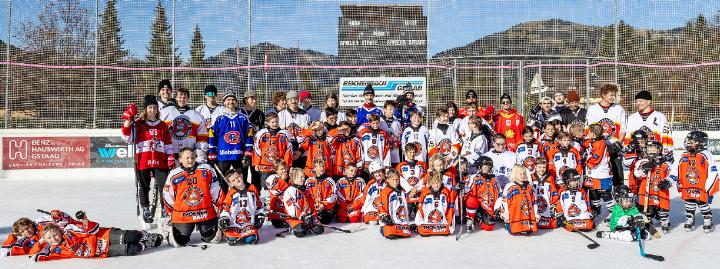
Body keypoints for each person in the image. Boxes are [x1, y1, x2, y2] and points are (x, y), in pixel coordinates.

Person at [121, 95, 173, 225]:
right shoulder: (138, 124)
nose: (153, 110)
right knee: (144, 186)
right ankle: (145, 208)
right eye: (150, 107)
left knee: (164, 186)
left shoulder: (162, 125)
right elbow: (127, 138)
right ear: (145, 109)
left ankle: (165, 209)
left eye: (155, 107)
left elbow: (168, 143)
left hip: (160, 160)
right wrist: (128, 119)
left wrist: (170, 157)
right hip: (143, 160)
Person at [163, 148, 222, 247]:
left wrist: (221, 207)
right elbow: (168, 195)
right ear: (180, 159)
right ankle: (170, 227)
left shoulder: (206, 169)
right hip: (184, 215)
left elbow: (215, 189)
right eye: (187, 158)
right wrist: (171, 212)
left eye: (192, 157)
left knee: (211, 237)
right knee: (180, 241)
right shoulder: (174, 174)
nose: (190, 160)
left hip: (205, 213)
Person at [28, 221, 161, 262]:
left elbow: (90, 228)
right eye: (50, 238)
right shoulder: (55, 250)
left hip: (103, 237)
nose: (54, 239)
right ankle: (147, 244)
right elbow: (33, 256)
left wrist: (84, 220)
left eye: (55, 235)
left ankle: (149, 236)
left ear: (59, 232)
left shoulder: (70, 231)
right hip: (103, 251)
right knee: (134, 250)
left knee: (131, 236)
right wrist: (40, 242)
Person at [671, 131, 719, 233]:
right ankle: (690, 219)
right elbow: (676, 167)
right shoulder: (684, 154)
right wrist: (672, 178)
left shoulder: (706, 154)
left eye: (692, 141)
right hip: (687, 185)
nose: (689, 142)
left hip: (701, 186)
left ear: (701, 143)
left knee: (702, 204)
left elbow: (713, 171)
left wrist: (709, 188)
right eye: (689, 140)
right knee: (689, 203)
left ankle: (707, 220)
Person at [208, 90, 253, 192]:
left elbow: (249, 136)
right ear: (224, 102)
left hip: (239, 155)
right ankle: (224, 204)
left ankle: (243, 200)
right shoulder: (218, 118)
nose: (231, 102)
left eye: (233, 99)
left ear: (236, 102)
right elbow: (212, 136)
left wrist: (247, 154)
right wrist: (212, 153)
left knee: (241, 180)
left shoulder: (243, 118)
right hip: (223, 155)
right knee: (222, 182)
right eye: (228, 99)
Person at [586, 84, 627, 187]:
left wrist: (618, 144)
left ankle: (618, 201)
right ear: (603, 95)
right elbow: (589, 130)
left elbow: (623, 129)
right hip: (599, 149)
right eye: (611, 95)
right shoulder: (593, 109)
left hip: (615, 148)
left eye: (615, 95)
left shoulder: (619, 109)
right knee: (597, 179)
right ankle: (596, 201)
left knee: (618, 178)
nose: (613, 97)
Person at [633, 141, 672, 232]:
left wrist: (668, 182)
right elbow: (637, 174)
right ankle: (648, 221)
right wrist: (643, 169)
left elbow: (672, 175)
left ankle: (664, 220)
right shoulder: (642, 161)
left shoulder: (665, 163)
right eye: (649, 148)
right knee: (648, 207)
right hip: (647, 189)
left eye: (654, 148)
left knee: (662, 207)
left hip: (660, 189)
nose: (651, 150)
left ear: (659, 150)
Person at [2, 210, 79, 256]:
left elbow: (65, 220)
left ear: (31, 224)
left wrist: (57, 214)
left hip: (72, 236)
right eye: (22, 231)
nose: (27, 231)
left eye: (27, 228)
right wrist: (12, 236)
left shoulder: (41, 223)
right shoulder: (25, 242)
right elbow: (5, 252)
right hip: (64, 249)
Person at [218, 169, 263, 245]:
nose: (237, 180)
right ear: (230, 183)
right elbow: (226, 207)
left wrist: (259, 215)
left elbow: (258, 204)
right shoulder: (231, 193)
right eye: (233, 180)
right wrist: (224, 217)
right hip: (234, 223)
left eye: (237, 177)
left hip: (248, 223)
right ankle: (237, 234)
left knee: (250, 240)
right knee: (232, 240)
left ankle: (247, 235)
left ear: (241, 175)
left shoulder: (252, 188)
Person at [625, 90, 674, 159]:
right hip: (637, 156)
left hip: (655, 155)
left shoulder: (660, 117)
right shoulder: (632, 118)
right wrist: (628, 152)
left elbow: (666, 135)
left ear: (649, 101)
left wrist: (666, 152)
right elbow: (628, 137)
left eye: (640, 101)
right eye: (636, 101)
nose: (638, 103)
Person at [165, 87, 209, 163]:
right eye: (180, 97)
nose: (182, 100)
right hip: (171, 156)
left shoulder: (197, 116)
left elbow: (201, 139)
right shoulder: (166, 113)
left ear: (188, 99)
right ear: (176, 98)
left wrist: (200, 157)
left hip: (189, 157)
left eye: (185, 97)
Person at [253, 112, 293, 191]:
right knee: (266, 189)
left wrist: (287, 164)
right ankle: (267, 202)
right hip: (265, 167)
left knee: (281, 188)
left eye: (276, 122)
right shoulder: (261, 133)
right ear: (267, 123)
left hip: (280, 167)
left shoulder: (285, 133)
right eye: (273, 122)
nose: (275, 124)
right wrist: (257, 163)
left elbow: (289, 150)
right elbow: (256, 148)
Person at [495, 165, 538, 235]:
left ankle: (525, 226)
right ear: (515, 174)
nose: (523, 176)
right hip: (514, 215)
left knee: (528, 232)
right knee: (513, 231)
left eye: (524, 174)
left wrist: (536, 214)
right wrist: (505, 214)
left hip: (527, 215)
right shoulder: (510, 186)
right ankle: (511, 224)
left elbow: (534, 201)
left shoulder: (530, 186)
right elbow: (504, 201)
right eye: (520, 174)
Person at [584, 124, 614, 222]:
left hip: (602, 173)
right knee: (593, 192)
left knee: (605, 193)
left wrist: (586, 161)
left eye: (589, 132)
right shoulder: (593, 141)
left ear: (593, 134)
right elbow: (586, 144)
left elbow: (596, 159)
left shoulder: (599, 143)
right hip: (593, 174)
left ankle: (612, 212)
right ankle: (596, 210)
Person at [282, 167, 324, 237]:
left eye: (303, 176)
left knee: (319, 229)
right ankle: (290, 227)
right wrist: (302, 216)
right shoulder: (289, 191)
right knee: (301, 232)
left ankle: (308, 226)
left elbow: (311, 205)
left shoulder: (306, 190)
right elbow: (291, 207)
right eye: (301, 177)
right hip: (295, 218)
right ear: (294, 178)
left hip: (307, 217)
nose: (303, 179)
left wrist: (313, 216)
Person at [464, 156, 501, 231]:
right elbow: (467, 191)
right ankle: (470, 218)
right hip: (477, 204)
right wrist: (462, 187)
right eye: (484, 166)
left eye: (488, 166)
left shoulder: (494, 179)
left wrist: (498, 207)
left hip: (488, 206)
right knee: (471, 200)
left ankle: (478, 218)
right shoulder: (474, 177)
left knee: (488, 227)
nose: (486, 168)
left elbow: (499, 193)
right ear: (479, 167)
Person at [415, 171, 456, 236]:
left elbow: (450, 207)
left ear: (441, 181)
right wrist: (419, 222)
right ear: (430, 183)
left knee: (446, 232)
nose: (436, 185)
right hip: (427, 222)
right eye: (433, 183)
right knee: (423, 232)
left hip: (442, 223)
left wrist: (458, 190)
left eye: (438, 183)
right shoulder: (425, 192)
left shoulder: (446, 191)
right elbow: (420, 208)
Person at [379, 169, 413, 239]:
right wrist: (384, 216)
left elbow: (406, 203)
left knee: (405, 235)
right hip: (389, 221)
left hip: (401, 221)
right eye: (393, 180)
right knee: (391, 235)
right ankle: (383, 229)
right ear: (388, 180)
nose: (395, 182)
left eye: (397, 179)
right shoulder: (385, 192)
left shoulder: (403, 191)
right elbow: (380, 206)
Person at [279, 90, 310, 167]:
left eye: (295, 99)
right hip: (287, 152)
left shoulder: (305, 114)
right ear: (287, 101)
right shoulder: (281, 115)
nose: (293, 101)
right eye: (290, 99)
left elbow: (308, 134)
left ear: (298, 100)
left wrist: (300, 151)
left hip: (302, 153)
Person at [397, 143, 427, 218]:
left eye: (414, 152)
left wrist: (416, 189)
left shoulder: (422, 165)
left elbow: (424, 178)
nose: (412, 154)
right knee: (406, 215)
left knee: (419, 216)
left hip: (419, 193)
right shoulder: (400, 165)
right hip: (407, 194)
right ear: (406, 153)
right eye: (410, 152)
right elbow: (400, 179)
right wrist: (410, 190)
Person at [305, 158, 337, 225]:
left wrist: (323, 204)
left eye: (323, 166)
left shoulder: (329, 180)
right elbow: (305, 195)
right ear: (314, 168)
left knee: (324, 220)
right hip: (313, 209)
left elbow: (333, 196)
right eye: (319, 166)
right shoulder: (309, 181)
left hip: (325, 209)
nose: (322, 168)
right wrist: (312, 205)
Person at [530, 158, 560, 229]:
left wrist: (554, 205)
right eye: (539, 167)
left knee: (552, 224)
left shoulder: (550, 178)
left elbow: (553, 192)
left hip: (546, 204)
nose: (542, 169)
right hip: (535, 203)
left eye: (544, 167)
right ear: (535, 167)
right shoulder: (531, 177)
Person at [266, 160, 290, 229]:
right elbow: (277, 190)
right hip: (276, 206)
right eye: (281, 169)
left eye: (285, 168)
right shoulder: (273, 179)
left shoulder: (289, 177)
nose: (284, 170)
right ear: (276, 170)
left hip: (286, 205)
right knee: (277, 224)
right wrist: (282, 180)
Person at [382, 100, 403, 166]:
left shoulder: (397, 122)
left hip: (394, 154)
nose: (392, 111)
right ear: (384, 110)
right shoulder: (380, 121)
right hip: (383, 154)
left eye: (393, 110)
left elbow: (398, 137)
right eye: (390, 109)